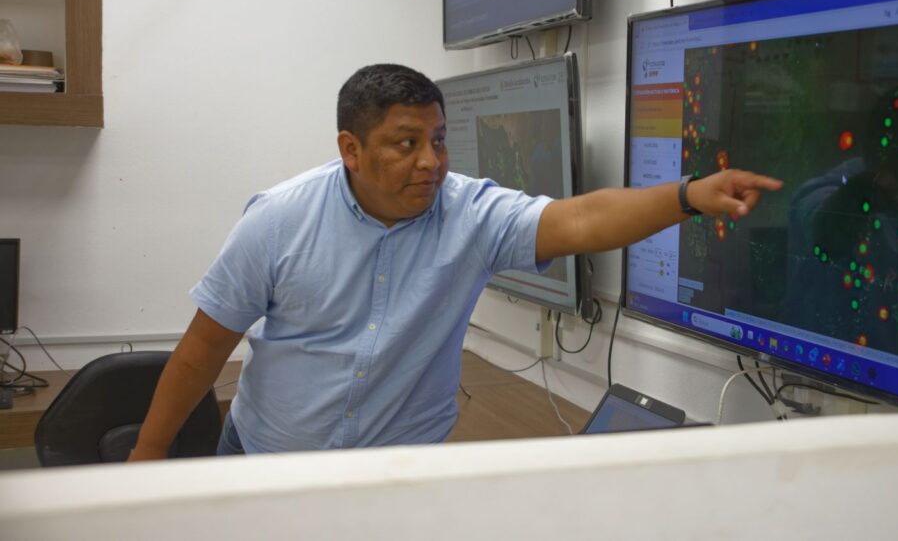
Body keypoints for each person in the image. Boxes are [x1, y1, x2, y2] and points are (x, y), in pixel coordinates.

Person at [128, 64, 782, 460]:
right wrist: (148, 453)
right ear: (351, 149)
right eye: (406, 143)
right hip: (267, 465)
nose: (431, 162)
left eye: (438, 140)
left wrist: (688, 196)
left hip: (397, 480)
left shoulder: (471, 215)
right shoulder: (278, 220)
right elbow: (202, 350)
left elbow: (581, 219)